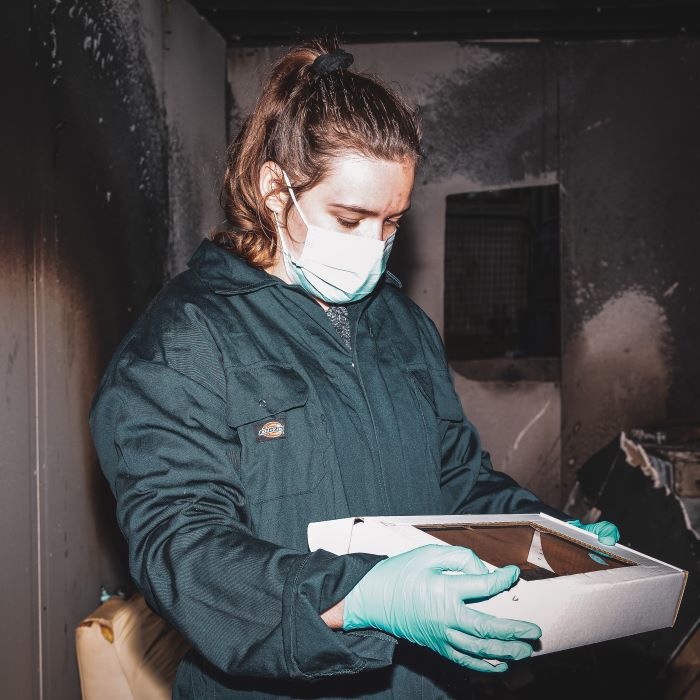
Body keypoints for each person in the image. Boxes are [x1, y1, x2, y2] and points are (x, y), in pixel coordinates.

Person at [89, 38, 620, 699]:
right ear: (275, 189)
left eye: (392, 222)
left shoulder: (400, 326)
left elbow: (457, 484)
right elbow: (186, 557)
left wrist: (547, 538)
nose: (374, 247)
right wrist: (363, 597)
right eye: (351, 217)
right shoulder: (183, 342)